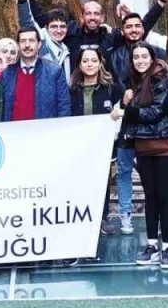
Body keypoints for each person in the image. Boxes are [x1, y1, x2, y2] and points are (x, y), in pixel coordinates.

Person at [15, 0, 168, 80]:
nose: (92, 17)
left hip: (104, 90)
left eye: (96, 14)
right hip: (74, 90)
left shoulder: (111, 36)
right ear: (82, 17)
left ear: (103, 17)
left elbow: (138, 31)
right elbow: (43, 19)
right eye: (88, 14)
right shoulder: (70, 32)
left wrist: (161, 3)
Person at [117, 43, 168, 270]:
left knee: (165, 196)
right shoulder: (132, 82)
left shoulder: (162, 80)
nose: (140, 60)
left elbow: (155, 112)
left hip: (166, 145)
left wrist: (127, 109)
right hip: (143, 146)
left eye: (144, 56)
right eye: (136, 57)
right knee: (150, 197)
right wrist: (125, 105)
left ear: (152, 58)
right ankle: (152, 244)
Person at [70, 49, 124, 236]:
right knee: (79, 182)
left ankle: (102, 218)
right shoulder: (72, 90)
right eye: (85, 61)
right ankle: (80, 218)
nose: (90, 64)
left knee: (102, 182)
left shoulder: (112, 89)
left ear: (100, 63)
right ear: (79, 64)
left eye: (94, 60)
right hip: (78, 146)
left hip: (104, 146)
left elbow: (123, 111)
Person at [2, 28, 71, 121]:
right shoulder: (7, 74)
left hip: (44, 129)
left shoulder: (54, 71)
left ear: (39, 45)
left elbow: (64, 106)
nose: (27, 45)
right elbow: (1, 108)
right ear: (18, 46)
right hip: (12, 129)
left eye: (31, 40)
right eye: (23, 41)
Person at [107, 12, 168, 83]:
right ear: (122, 31)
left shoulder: (159, 53)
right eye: (129, 27)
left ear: (143, 30)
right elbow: (113, 84)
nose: (134, 30)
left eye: (137, 26)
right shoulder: (115, 58)